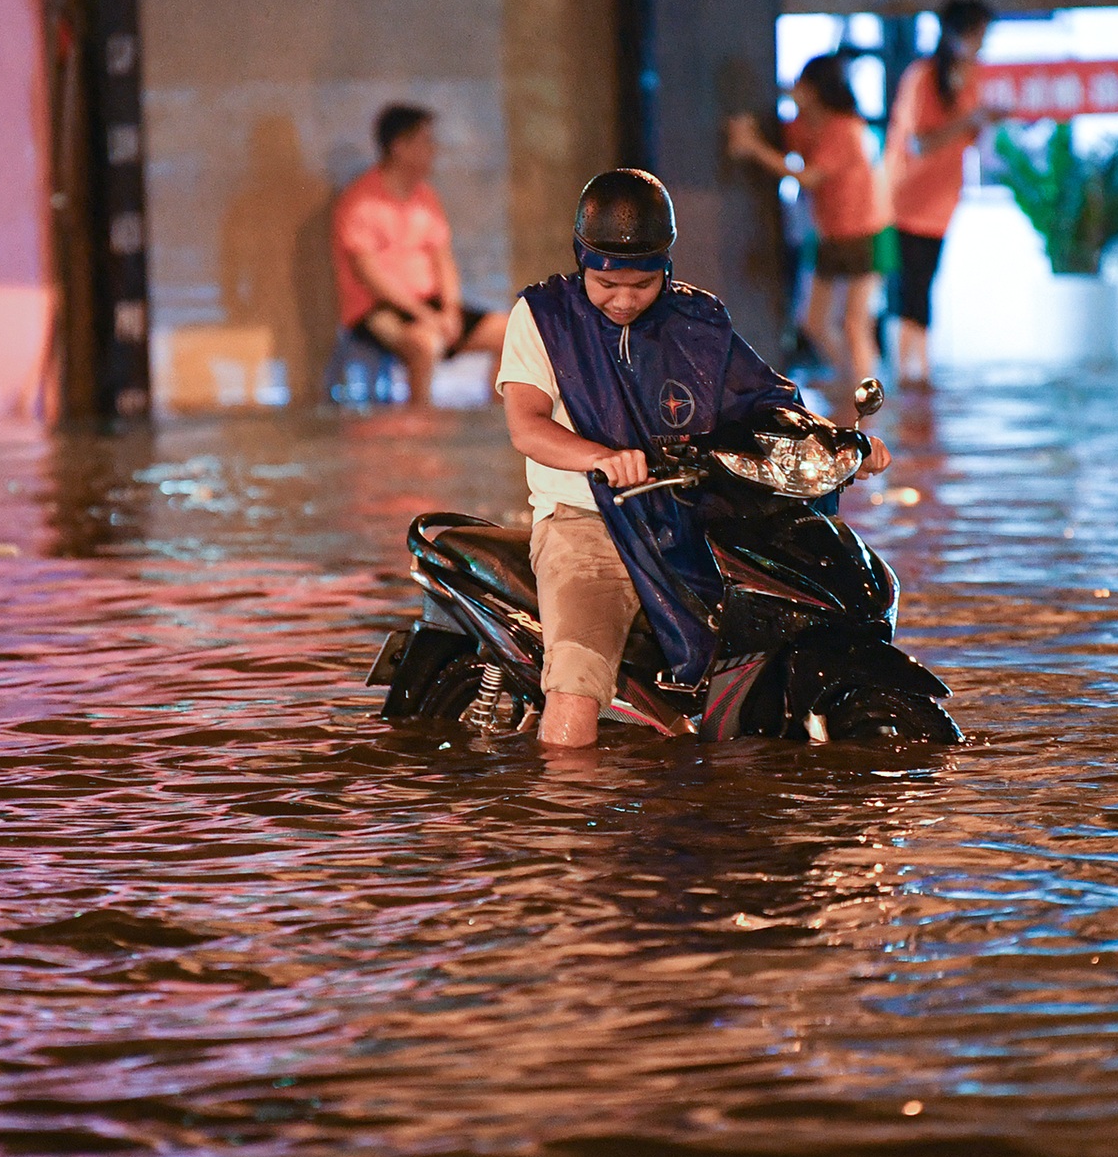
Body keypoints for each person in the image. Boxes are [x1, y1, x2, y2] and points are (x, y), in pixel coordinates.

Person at [496, 169, 893, 750]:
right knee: (576, 685)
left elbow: (770, 406)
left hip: (689, 523)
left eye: (642, 283)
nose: (625, 299)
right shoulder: (543, 318)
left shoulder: (700, 324)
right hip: (589, 526)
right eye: (607, 284)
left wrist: (835, 445)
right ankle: (565, 822)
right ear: (582, 260)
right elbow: (526, 426)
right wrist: (603, 458)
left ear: (666, 266)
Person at [727, 53, 891, 390]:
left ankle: (867, 401)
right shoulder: (809, 125)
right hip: (833, 234)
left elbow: (808, 177)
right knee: (815, 322)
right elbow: (788, 144)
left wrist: (752, 147)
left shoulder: (845, 127)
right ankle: (855, 388)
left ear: (815, 89)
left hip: (866, 232)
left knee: (854, 324)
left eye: (801, 84)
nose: (794, 89)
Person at [331, 103, 506, 406]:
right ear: (400, 147)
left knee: (513, 332)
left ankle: (498, 417)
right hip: (379, 310)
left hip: (431, 306)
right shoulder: (360, 202)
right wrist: (424, 316)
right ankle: (419, 429)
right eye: (427, 141)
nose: (435, 149)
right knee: (424, 344)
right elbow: (369, 276)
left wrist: (450, 309)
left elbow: (443, 259)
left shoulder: (425, 197)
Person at [887, 0, 999, 386]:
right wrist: (971, 119)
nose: (982, 42)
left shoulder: (972, 76)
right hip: (905, 198)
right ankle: (908, 373)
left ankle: (920, 371)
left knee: (925, 280)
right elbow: (920, 142)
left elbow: (969, 138)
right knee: (910, 287)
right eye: (978, 34)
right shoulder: (923, 76)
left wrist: (983, 123)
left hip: (941, 200)